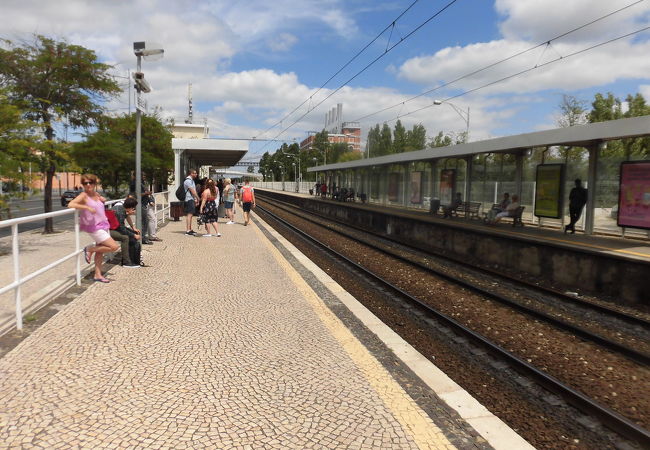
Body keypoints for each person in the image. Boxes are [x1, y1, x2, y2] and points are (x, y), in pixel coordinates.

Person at [68, 174, 119, 283]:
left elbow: (99, 205)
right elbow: (71, 204)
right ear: (83, 185)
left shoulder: (96, 194)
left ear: (95, 184)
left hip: (103, 224)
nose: (88, 185)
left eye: (90, 182)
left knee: (100, 251)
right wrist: (86, 207)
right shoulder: (83, 195)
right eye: (85, 183)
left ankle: (97, 275)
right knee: (113, 246)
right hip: (94, 227)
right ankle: (89, 249)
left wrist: (102, 200)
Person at [110, 197, 143, 268]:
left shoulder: (122, 208)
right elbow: (122, 229)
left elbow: (122, 224)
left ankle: (133, 258)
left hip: (115, 228)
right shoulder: (120, 212)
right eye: (133, 208)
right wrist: (133, 235)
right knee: (125, 237)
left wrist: (133, 229)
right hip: (109, 230)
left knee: (134, 233)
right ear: (130, 207)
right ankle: (126, 262)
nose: (134, 210)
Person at [183, 169, 200, 235]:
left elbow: (194, 191)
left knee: (191, 214)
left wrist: (195, 199)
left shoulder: (192, 181)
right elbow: (192, 191)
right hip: (189, 199)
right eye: (194, 173)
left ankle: (190, 229)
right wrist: (198, 198)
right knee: (189, 214)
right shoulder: (188, 181)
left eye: (196, 173)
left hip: (191, 199)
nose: (196, 174)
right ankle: (188, 230)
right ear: (191, 173)